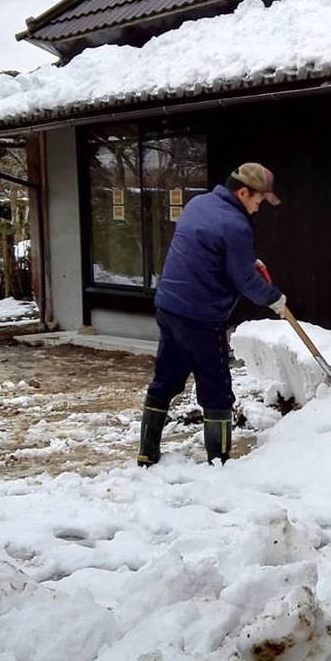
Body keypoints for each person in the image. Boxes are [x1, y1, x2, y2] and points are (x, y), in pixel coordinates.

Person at [137, 162, 286, 467]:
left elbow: (208, 252)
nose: (258, 208)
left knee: (166, 378)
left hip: (169, 307)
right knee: (216, 387)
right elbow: (244, 280)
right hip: (200, 316)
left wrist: (243, 262)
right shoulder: (235, 225)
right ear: (243, 192)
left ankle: (146, 453)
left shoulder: (198, 204)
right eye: (258, 200)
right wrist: (275, 299)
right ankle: (220, 462)